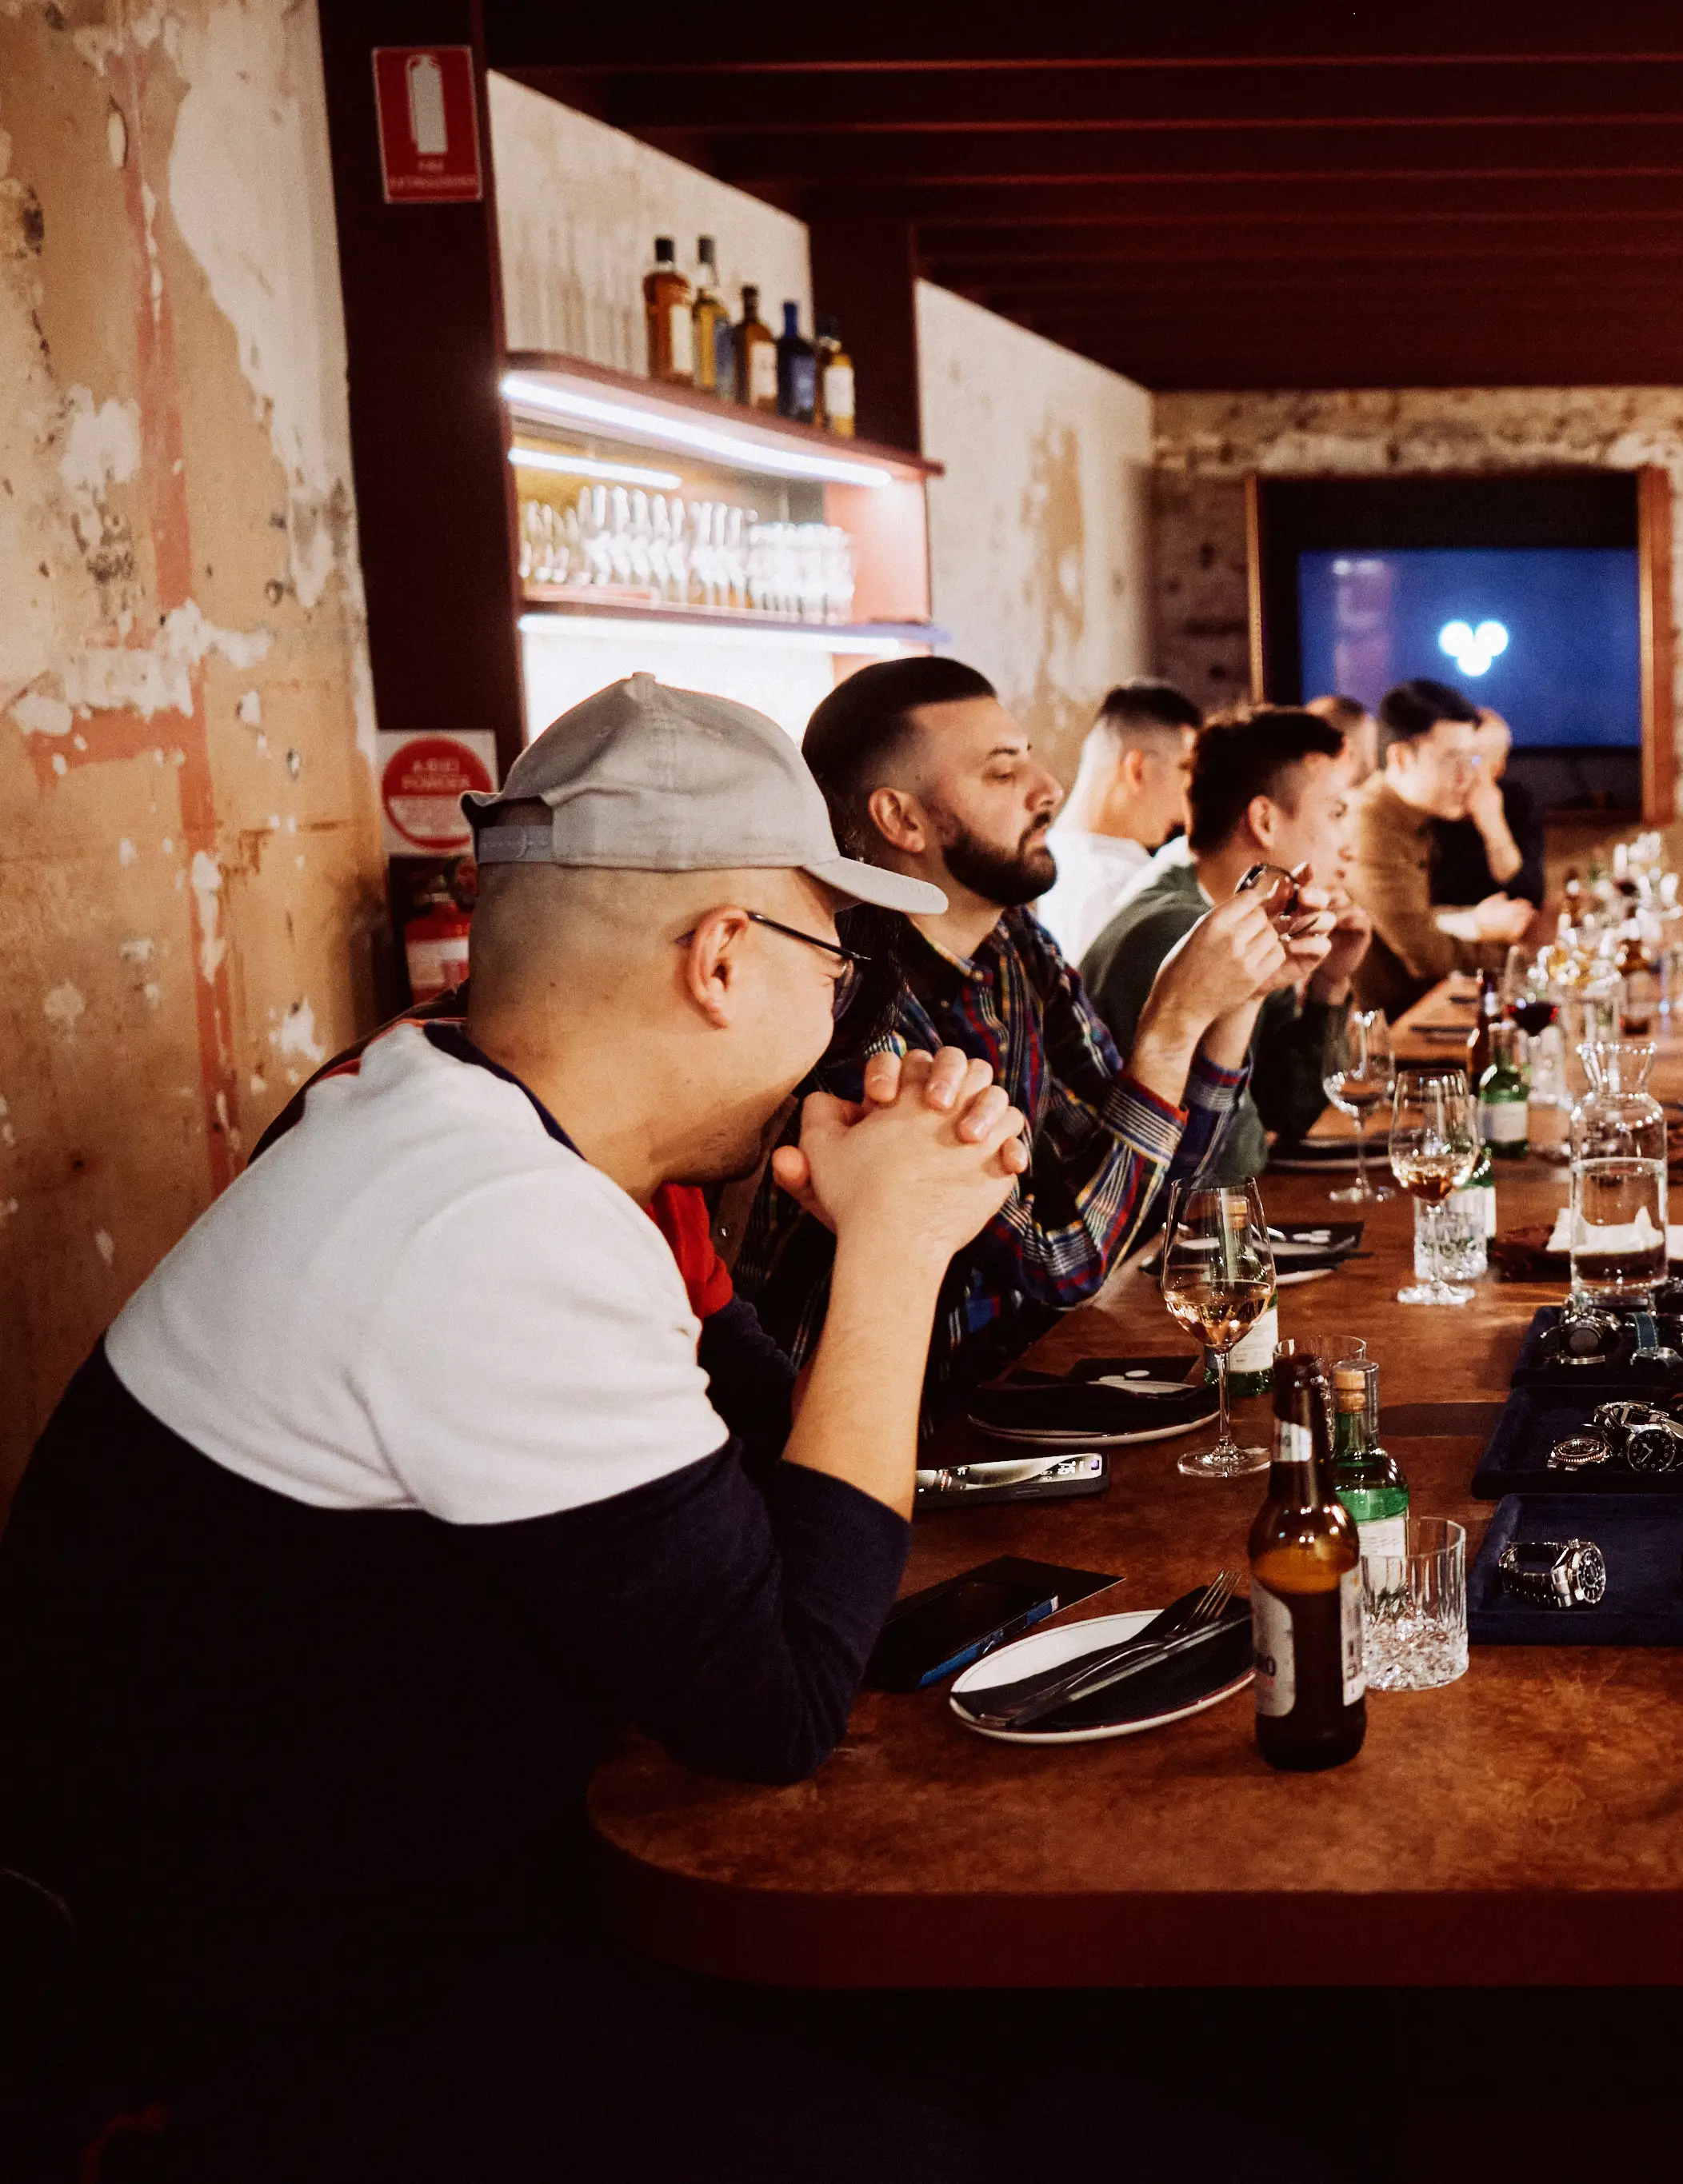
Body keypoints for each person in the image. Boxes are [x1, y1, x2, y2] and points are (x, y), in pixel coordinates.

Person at [0, 675, 1052, 2170]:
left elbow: (764, 1458)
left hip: (408, 1915)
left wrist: (875, 1208)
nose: (845, 1016)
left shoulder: (427, 1097)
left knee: (1010, 2038)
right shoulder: (489, 1220)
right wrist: (895, 1254)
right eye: (838, 963)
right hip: (278, 2033)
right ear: (724, 960)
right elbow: (775, 1706)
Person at [742, 657, 1317, 1396]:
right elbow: (1063, 1261)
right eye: (1002, 772)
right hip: (911, 1436)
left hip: (1030, 1388)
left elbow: (1157, 1194)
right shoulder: (848, 998)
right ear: (901, 819)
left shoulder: (1015, 945)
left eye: (1032, 761)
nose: (1048, 791)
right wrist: (1173, 1022)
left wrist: (1240, 996)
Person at [1081, 709, 1370, 1182]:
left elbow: (1288, 1110)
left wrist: (1329, 984)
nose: (1349, 846)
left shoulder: (1250, 919)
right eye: (1336, 812)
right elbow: (1231, 1164)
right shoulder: (1173, 932)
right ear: (1264, 821)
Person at [1347, 678, 1538, 1015]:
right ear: (1401, 759)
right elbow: (1424, 954)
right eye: (1452, 760)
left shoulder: (1417, 815)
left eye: (1472, 760)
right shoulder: (1372, 823)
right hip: (1387, 1035)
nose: (1467, 777)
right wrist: (1520, 958)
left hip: (1422, 1012)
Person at [1033, 677, 1198, 960]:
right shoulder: (1125, 888)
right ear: (1137, 770)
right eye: (1186, 773)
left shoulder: (1050, 857)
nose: (1190, 802)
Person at [1429, 701, 1547, 910]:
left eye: (1474, 759)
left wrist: (1493, 826)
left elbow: (1528, 898)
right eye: (1453, 756)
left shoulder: (1518, 803)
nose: (1460, 771)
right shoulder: (1424, 803)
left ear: (1498, 767)